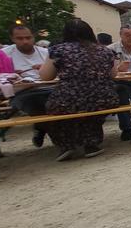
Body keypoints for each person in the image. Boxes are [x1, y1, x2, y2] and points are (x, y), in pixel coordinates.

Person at [38, 19, 119, 161]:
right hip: (103, 98)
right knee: (92, 107)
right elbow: (113, 74)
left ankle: (66, 144)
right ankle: (91, 143)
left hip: (69, 98)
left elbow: (45, 76)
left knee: (52, 106)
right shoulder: (105, 51)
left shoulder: (59, 50)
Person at [2, 25, 52, 147]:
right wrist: (10, 75)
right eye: (20, 38)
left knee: (59, 102)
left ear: (33, 37)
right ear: (12, 39)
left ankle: (41, 129)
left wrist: (46, 70)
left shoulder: (46, 53)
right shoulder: (4, 55)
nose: (25, 41)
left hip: (46, 87)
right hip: (20, 92)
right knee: (37, 104)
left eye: (28, 37)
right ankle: (63, 142)